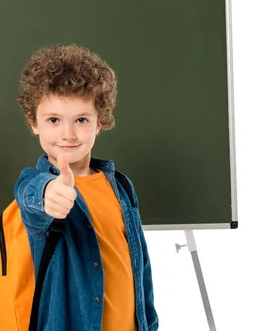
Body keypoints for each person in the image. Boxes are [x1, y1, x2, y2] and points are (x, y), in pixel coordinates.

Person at [14, 44, 158, 330]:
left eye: (81, 120)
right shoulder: (35, 184)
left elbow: (140, 270)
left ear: (99, 123)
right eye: (53, 120)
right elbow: (33, 199)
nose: (67, 134)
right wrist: (49, 195)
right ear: (33, 122)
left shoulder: (120, 186)